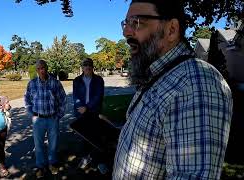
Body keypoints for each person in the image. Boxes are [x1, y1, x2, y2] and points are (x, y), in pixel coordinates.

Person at [113, 0, 233, 179]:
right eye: (126, 23)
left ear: (171, 30)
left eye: (136, 22)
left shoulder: (195, 83)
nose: (126, 32)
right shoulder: (159, 76)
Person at [24, 59, 66, 178]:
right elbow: (27, 99)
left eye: (43, 68)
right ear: (36, 70)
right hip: (38, 119)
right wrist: (31, 114)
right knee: (38, 145)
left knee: (53, 144)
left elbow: (63, 99)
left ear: (47, 68)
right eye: (39, 68)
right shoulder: (32, 84)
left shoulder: (55, 83)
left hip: (53, 118)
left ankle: (52, 163)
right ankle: (40, 166)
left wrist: (59, 115)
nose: (42, 70)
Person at [72, 58, 109, 173]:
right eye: (85, 65)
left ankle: (100, 162)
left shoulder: (99, 80)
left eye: (89, 65)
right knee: (83, 137)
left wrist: (86, 108)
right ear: (82, 67)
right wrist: (80, 108)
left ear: (93, 67)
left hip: (93, 112)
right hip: (81, 113)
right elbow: (75, 96)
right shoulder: (77, 80)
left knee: (97, 137)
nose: (87, 67)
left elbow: (98, 96)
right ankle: (85, 158)